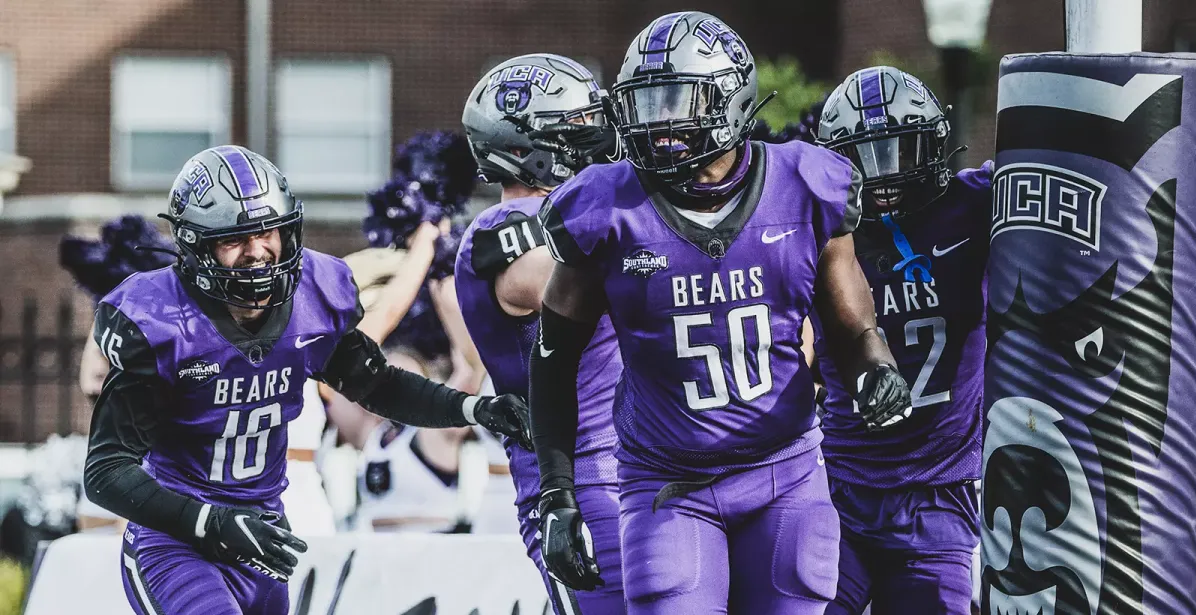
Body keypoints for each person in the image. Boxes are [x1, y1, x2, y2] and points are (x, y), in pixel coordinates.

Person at [529, 12, 912, 615]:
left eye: (676, 100)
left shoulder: (806, 183)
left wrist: (876, 368)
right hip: (667, 483)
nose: (659, 123)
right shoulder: (606, 207)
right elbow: (552, 359)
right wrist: (556, 493)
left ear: (731, 98)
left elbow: (852, 324)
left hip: (784, 472)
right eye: (645, 104)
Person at [82, 145, 533, 615]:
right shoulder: (161, 319)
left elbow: (376, 384)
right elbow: (105, 472)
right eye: (236, 238)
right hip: (178, 539)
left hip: (263, 532)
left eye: (268, 231)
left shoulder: (313, 293)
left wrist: (471, 408)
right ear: (197, 247)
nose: (258, 251)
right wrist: (209, 523)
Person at [812, 66, 990, 615]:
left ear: (935, 143)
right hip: (839, 483)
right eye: (865, 157)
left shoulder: (982, 201)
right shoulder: (819, 224)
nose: (884, 175)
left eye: (899, 152)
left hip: (943, 488)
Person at [456, 53, 625, 615]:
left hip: (651, 463)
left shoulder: (587, 212)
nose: (599, 139)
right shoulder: (499, 231)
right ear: (527, 147)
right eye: (577, 127)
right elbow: (570, 283)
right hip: (583, 480)